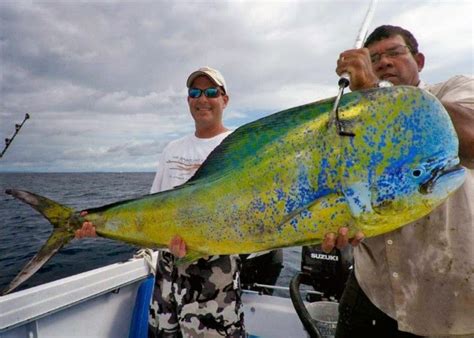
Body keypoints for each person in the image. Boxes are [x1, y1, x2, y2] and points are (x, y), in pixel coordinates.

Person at [325, 25, 473, 337]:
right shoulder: (348, 122)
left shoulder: (456, 88)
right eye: (374, 58)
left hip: (451, 303)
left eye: (394, 52)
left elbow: (471, 137)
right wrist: (332, 226)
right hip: (372, 292)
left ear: (419, 60)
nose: (384, 62)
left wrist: (377, 95)